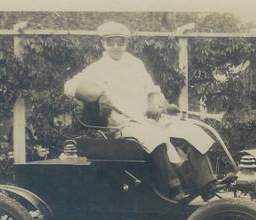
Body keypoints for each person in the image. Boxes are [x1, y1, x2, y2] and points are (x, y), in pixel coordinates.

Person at [64, 21, 216, 201]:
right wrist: (99, 94)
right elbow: (69, 86)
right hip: (122, 124)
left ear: (126, 44)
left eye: (120, 42)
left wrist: (155, 103)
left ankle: (207, 185)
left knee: (191, 131)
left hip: (148, 119)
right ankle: (173, 190)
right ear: (103, 44)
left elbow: (152, 90)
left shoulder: (136, 64)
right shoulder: (96, 69)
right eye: (110, 42)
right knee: (154, 139)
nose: (115, 47)